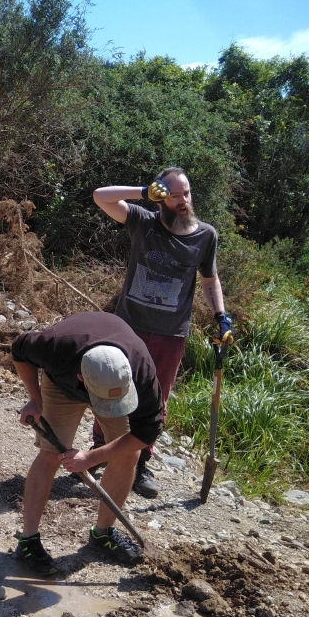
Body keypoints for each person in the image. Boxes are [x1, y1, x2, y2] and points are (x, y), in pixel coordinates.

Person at [93, 169, 234, 498]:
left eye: (186, 193)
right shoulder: (143, 222)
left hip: (171, 335)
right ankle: (98, 453)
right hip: (130, 326)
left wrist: (221, 316)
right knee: (112, 387)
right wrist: (142, 190)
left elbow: (210, 280)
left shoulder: (206, 236)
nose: (183, 201)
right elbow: (102, 195)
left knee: (155, 400)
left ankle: (140, 463)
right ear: (160, 198)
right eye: (174, 195)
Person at [12, 312, 164, 575]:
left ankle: (102, 534)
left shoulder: (141, 372)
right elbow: (18, 349)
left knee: (128, 455)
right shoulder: (55, 346)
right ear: (82, 378)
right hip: (62, 386)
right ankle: (28, 540)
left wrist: (92, 457)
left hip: (110, 383)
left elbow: (145, 434)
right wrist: (35, 398)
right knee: (50, 455)